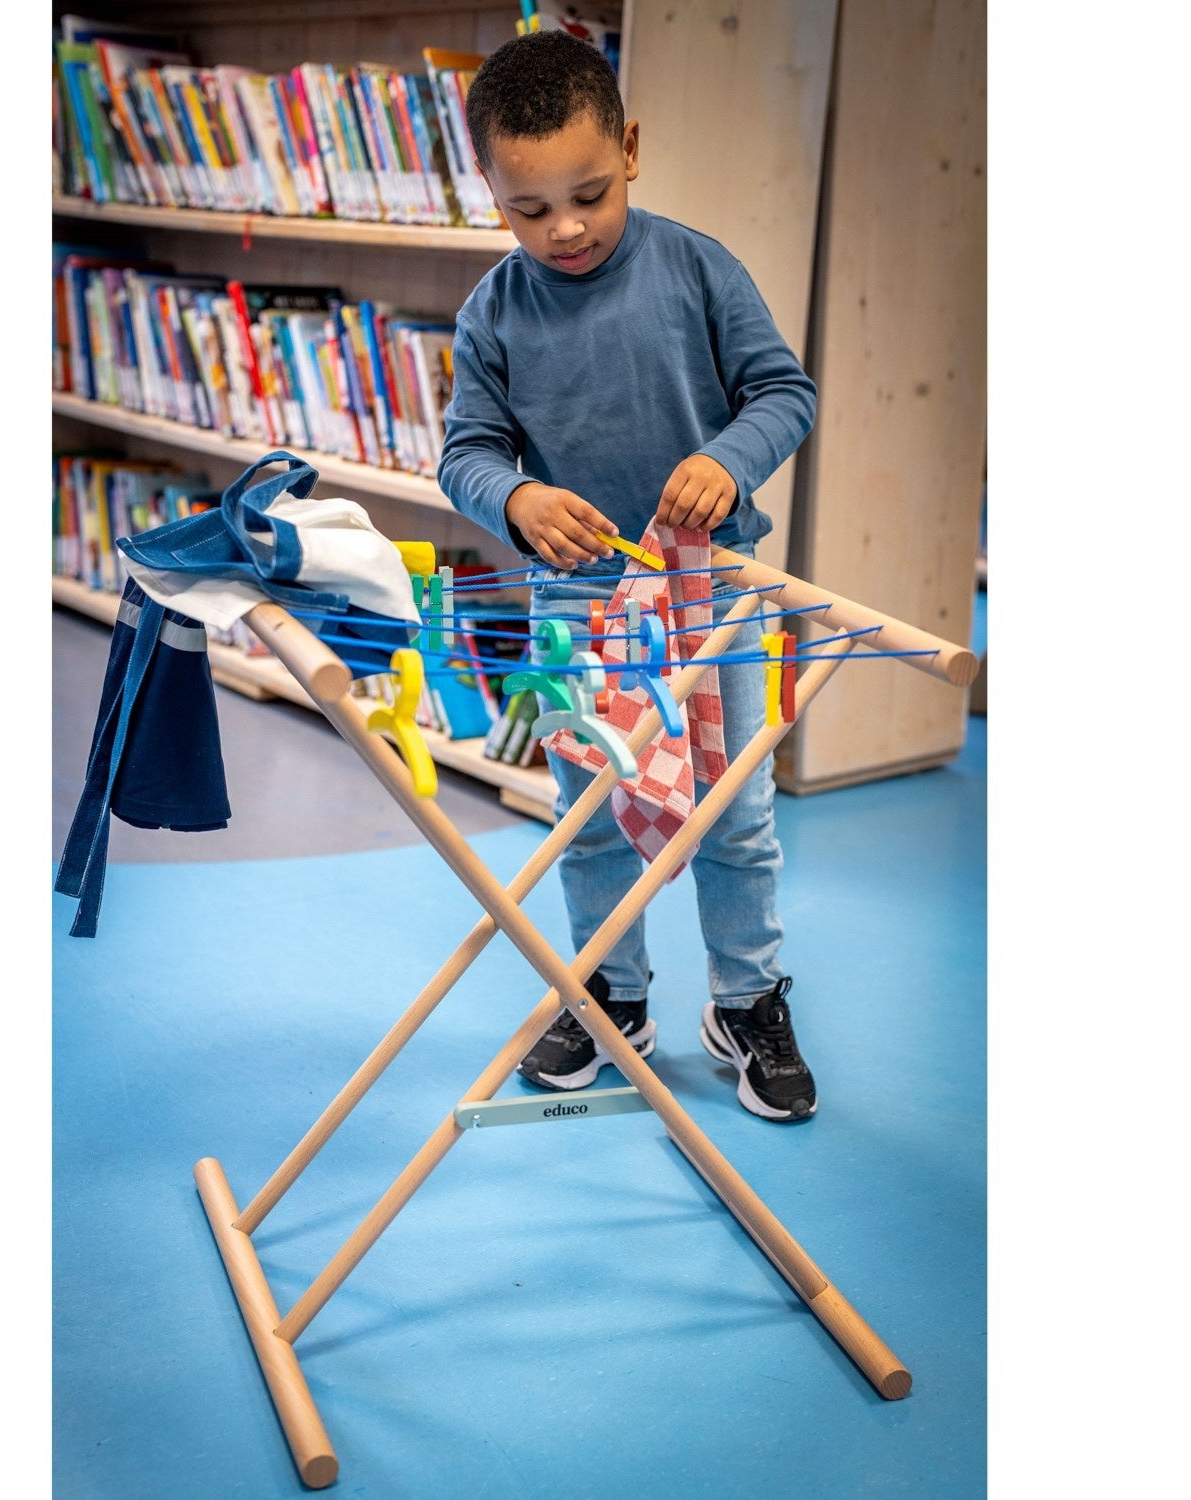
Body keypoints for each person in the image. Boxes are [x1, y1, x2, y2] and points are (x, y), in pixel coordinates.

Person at [438, 31, 819, 1121]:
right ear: (491, 193)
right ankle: (610, 992)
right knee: (594, 814)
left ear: (633, 151)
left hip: (715, 595)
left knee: (731, 816)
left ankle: (745, 1000)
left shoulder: (699, 267)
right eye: (529, 207)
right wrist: (512, 498)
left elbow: (782, 394)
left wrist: (724, 459)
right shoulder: (493, 314)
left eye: (589, 194)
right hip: (578, 602)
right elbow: (466, 451)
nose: (563, 227)